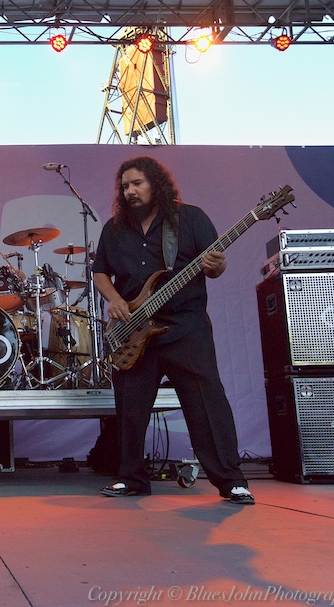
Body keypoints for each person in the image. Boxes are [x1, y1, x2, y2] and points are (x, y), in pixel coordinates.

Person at [91, 155, 253, 505]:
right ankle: (131, 477)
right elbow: (100, 271)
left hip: (185, 327)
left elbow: (214, 268)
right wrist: (116, 300)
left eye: (137, 183)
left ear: (156, 183)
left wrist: (218, 264)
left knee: (207, 404)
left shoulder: (190, 219)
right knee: (130, 408)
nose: (130, 191)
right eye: (125, 186)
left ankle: (231, 480)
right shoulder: (114, 229)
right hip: (135, 332)